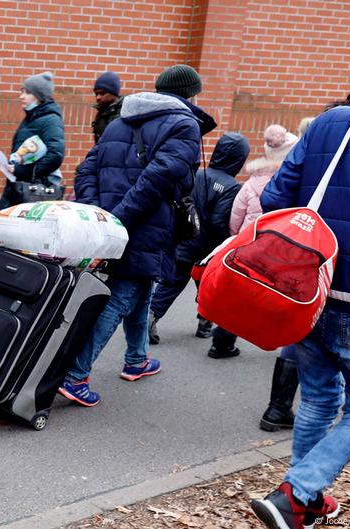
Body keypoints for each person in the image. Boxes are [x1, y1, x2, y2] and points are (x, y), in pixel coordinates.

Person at [250, 41, 350, 529]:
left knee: (319, 398)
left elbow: (276, 197)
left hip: (309, 289)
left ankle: (304, 503)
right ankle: (296, 493)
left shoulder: (334, 122)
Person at [61, 65, 215, 406]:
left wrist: (97, 214)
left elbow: (87, 168)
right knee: (122, 295)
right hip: (144, 226)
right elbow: (159, 179)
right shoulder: (184, 124)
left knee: (141, 285)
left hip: (116, 222)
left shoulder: (119, 121)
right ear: (191, 94)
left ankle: (137, 359)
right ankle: (75, 376)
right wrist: (117, 220)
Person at [147, 132, 248, 349]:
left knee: (172, 282)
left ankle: (151, 316)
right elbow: (219, 222)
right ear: (240, 159)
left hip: (181, 239)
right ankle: (205, 324)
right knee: (209, 286)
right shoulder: (231, 186)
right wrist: (224, 245)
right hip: (206, 248)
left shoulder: (197, 173)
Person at [0, 72, 65, 210]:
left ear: (39, 96)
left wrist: (24, 171)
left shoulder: (50, 120)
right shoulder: (31, 118)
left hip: (34, 188)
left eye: (27, 92)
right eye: (21, 92)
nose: (21, 96)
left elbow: (55, 154)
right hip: (18, 185)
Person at [229, 124, 298, 235]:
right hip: (277, 241)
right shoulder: (295, 185)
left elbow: (236, 216)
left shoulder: (251, 183)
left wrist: (236, 236)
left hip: (248, 237)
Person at [91, 71, 123, 142]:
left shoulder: (124, 113)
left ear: (113, 93)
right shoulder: (101, 112)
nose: (98, 97)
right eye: (96, 93)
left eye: (102, 93)